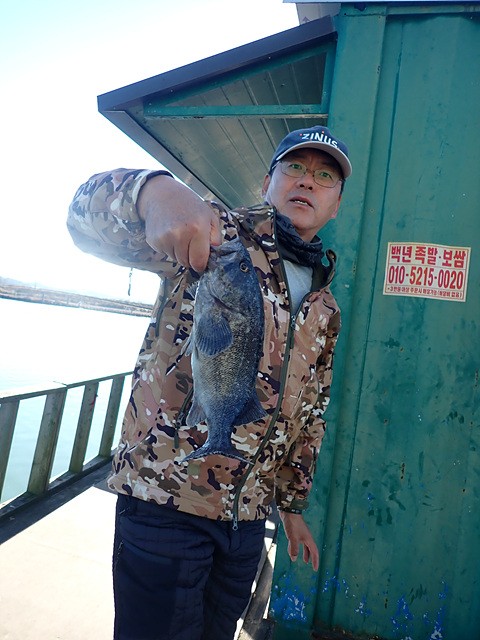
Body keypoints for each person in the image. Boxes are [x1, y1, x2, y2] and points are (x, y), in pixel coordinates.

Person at [67, 124, 351, 640]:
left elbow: (311, 411)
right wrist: (152, 192)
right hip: (166, 501)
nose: (307, 181)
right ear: (266, 183)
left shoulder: (325, 305)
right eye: (294, 167)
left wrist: (290, 505)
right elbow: (83, 221)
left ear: (336, 206)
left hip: (247, 521)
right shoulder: (214, 235)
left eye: (325, 176)